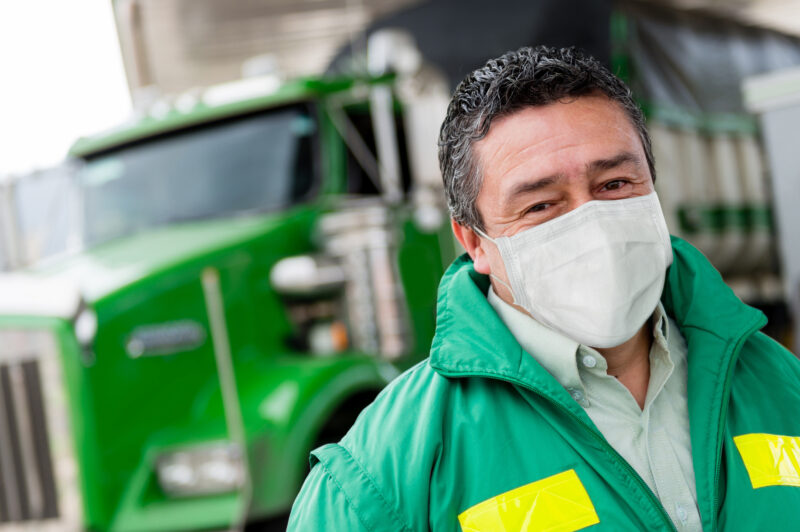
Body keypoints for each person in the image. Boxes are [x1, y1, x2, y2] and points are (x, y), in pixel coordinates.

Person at [288, 46, 800, 531]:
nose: (593, 225)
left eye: (615, 184)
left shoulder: (779, 383)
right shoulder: (385, 474)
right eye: (540, 206)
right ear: (474, 242)